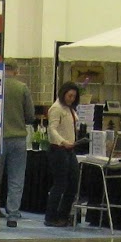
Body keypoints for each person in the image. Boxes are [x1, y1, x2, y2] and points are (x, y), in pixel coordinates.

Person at [0, 60, 35, 229]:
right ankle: (12, 215)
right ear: (16, 71)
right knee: (16, 178)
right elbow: (30, 116)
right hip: (18, 138)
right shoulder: (22, 88)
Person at [44, 82, 79, 227]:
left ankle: (64, 215)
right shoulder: (56, 108)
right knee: (60, 184)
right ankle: (50, 217)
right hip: (58, 149)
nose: (71, 99)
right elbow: (52, 129)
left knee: (73, 183)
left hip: (69, 150)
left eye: (74, 96)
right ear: (63, 93)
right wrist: (63, 141)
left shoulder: (70, 109)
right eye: (69, 95)